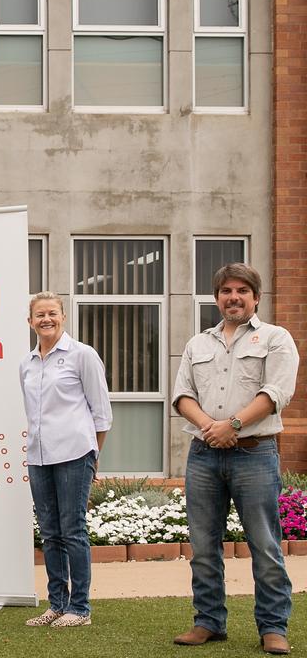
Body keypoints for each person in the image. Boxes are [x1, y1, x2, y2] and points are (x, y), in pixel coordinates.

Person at [171, 264, 298, 655]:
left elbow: (277, 392)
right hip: (203, 457)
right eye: (227, 290)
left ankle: (273, 627)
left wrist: (234, 424)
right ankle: (208, 622)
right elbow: (182, 395)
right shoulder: (199, 344)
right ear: (217, 298)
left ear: (256, 297)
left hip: (255, 455)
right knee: (204, 547)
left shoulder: (275, 338)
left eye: (243, 290)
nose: (234, 297)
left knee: (264, 545)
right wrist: (212, 426)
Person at [18, 291, 112, 628]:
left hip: (75, 453)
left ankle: (80, 608)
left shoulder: (82, 355)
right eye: (39, 314)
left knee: (73, 530)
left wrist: (93, 455)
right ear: (30, 321)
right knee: (50, 532)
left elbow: (101, 413)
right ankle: (56, 604)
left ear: (63, 316)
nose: (46, 319)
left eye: (52, 313)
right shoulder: (27, 364)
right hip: (39, 456)